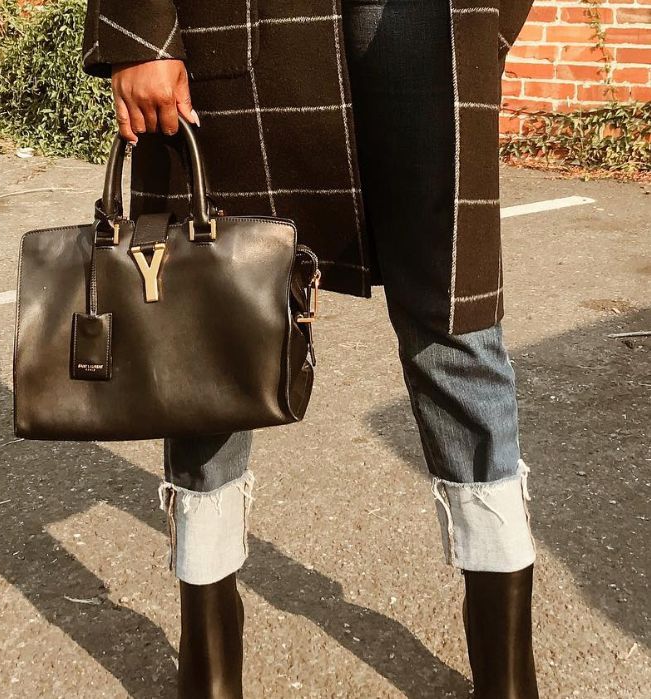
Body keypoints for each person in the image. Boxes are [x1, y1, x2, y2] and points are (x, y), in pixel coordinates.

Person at [82, 1, 538, 697]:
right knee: (211, 331)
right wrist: (138, 31)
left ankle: (507, 676)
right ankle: (209, 660)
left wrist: (484, 30)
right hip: (236, 23)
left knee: (457, 324)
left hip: (426, 26)